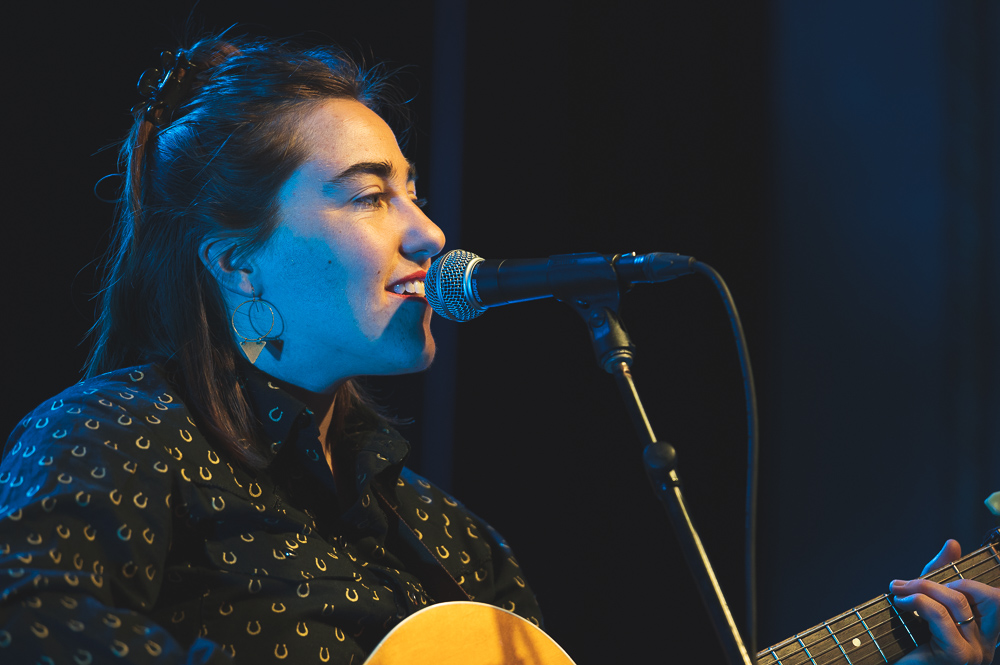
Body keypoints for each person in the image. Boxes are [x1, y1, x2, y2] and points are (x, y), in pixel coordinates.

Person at [0, 31, 997, 665]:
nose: (429, 231)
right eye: (370, 192)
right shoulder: (120, 436)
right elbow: (23, 622)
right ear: (239, 262)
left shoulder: (450, 541)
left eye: (414, 187)